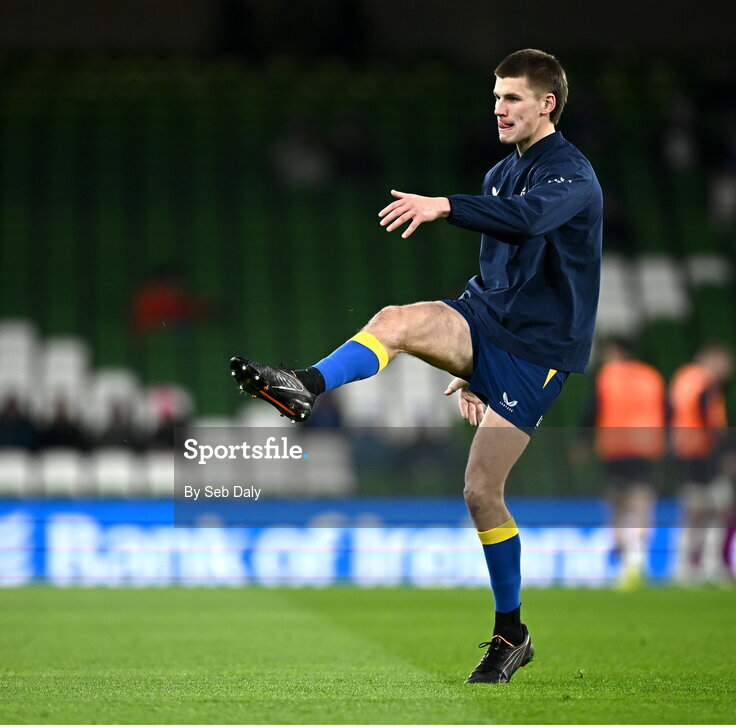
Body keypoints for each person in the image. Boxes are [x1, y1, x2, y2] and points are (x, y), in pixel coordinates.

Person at [230, 49, 602, 683]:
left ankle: (511, 634)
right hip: (487, 323)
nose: (498, 108)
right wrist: (464, 361)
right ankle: (306, 384)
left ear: (547, 104)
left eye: (512, 98)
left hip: (539, 353)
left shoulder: (571, 176)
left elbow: (529, 222)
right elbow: (496, 271)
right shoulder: (496, 173)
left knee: (481, 491)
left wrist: (445, 206)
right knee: (396, 320)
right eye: (495, 96)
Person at [578, 339, 666, 589]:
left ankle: (620, 557)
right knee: (641, 501)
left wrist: (583, 442)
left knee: (617, 504)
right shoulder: (652, 377)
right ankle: (636, 558)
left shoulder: (608, 376)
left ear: (617, 352)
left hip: (614, 448)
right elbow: (666, 411)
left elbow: (591, 410)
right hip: (645, 448)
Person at [670, 343, 733, 583]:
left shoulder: (684, 377)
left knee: (693, 512)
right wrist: (723, 454)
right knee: (718, 507)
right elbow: (708, 420)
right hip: (705, 453)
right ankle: (710, 563)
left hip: (685, 452)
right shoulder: (705, 382)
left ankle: (683, 567)